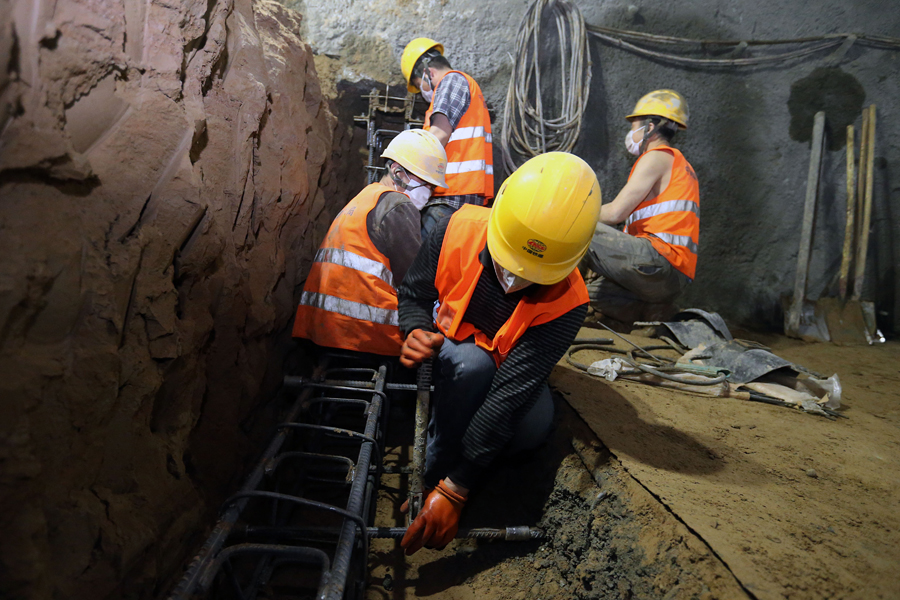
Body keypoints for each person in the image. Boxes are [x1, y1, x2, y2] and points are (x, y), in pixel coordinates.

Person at [395, 152, 602, 554]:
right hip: (454, 359)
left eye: (531, 275)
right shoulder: (454, 229)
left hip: (506, 374)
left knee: (534, 425)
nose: (514, 279)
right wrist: (416, 328)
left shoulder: (570, 301)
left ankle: (477, 476)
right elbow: (414, 293)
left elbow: (510, 394)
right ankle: (432, 468)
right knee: (472, 366)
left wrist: (457, 486)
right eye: (508, 262)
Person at [292, 129, 447, 356]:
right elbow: (415, 282)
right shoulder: (397, 205)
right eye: (424, 183)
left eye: (432, 187)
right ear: (398, 172)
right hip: (365, 334)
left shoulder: (365, 198)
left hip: (324, 330)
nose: (428, 193)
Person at [583, 89, 700, 327]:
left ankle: (557, 310)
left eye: (634, 125)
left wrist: (573, 214)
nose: (631, 132)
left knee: (580, 230)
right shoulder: (680, 165)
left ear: (650, 127)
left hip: (658, 263)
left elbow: (615, 213)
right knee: (590, 293)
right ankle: (653, 312)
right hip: (670, 279)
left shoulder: (656, 157)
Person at [400, 38, 494, 238]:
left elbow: (439, 134)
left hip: (451, 197)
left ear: (429, 73)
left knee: (424, 257)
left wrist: (408, 171)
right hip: (463, 196)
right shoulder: (467, 87)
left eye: (419, 85)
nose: (423, 93)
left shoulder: (451, 81)